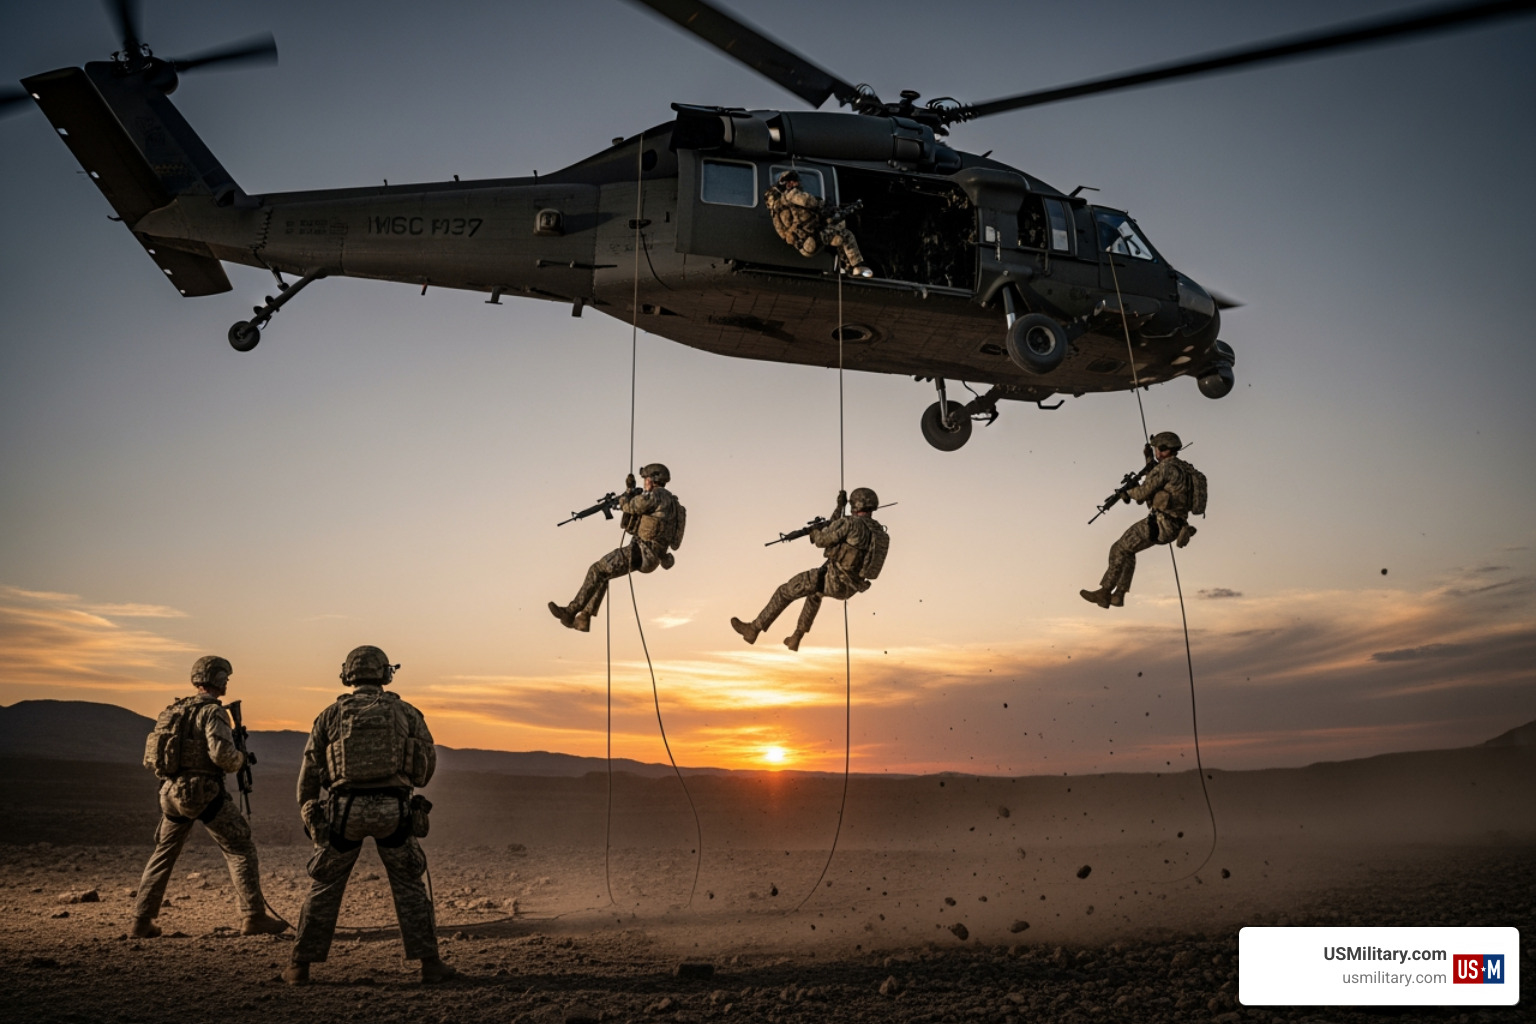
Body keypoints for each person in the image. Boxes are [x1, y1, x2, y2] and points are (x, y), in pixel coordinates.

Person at [284, 646, 455, 985]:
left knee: (326, 885)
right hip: (394, 811)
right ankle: (430, 965)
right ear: (385, 674)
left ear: (347, 675)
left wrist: (311, 816)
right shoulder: (406, 712)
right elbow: (424, 769)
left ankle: (299, 967)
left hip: (344, 812)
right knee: (409, 884)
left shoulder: (330, 715)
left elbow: (309, 775)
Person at [132, 656, 288, 939]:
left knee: (163, 853)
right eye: (224, 678)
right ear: (216, 679)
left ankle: (142, 920)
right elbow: (222, 756)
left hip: (170, 792)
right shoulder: (213, 712)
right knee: (240, 846)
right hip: (202, 791)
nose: (226, 682)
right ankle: (253, 917)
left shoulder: (175, 711)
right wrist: (241, 759)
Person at [731, 487, 889, 651]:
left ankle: (753, 629)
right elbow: (835, 528)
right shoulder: (879, 533)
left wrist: (814, 532)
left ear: (855, 505)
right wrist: (838, 509)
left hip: (833, 579)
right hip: (851, 587)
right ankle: (796, 638)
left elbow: (823, 540)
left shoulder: (851, 524)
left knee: (785, 591)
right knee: (814, 595)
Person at [549, 463, 684, 632]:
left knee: (597, 570)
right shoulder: (675, 505)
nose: (644, 482)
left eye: (646, 479)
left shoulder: (655, 496)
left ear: (652, 480)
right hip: (655, 557)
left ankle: (570, 613)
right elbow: (673, 539)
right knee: (604, 575)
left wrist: (627, 493)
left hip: (641, 551)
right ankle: (584, 618)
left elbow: (630, 506)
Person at [1081, 431, 1205, 609]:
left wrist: (1128, 492)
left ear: (1163, 449)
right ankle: (1118, 596)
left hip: (1160, 524)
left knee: (1118, 548)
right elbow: (1155, 478)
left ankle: (1104, 592)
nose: (1155, 451)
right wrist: (1147, 459)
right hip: (1176, 526)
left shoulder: (1166, 468)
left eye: (1156, 448)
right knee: (1128, 551)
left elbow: (1142, 493)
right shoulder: (1184, 469)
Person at [764, 169, 874, 278]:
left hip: (804, 245)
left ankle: (845, 267)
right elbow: (810, 202)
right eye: (795, 181)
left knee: (838, 237)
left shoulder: (777, 208)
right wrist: (824, 205)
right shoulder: (792, 195)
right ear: (788, 184)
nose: (798, 184)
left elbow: (784, 234)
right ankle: (857, 267)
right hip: (813, 238)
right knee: (846, 234)